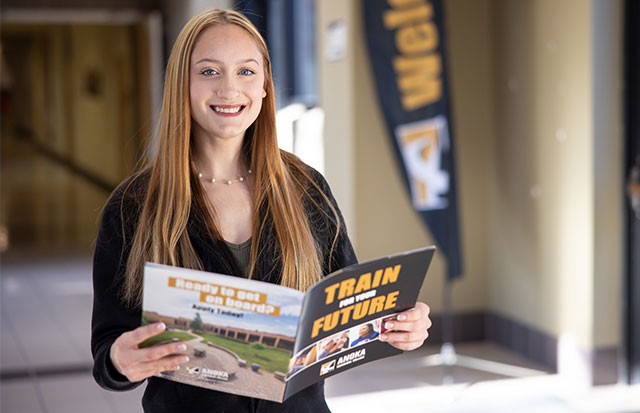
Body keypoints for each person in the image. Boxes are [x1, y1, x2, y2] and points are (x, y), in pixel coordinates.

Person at [91, 8, 432, 413]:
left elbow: (351, 310)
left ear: (266, 84)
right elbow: (107, 350)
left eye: (247, 71)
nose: (230, 89)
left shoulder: (306, 189)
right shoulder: (133, 207)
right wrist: (119, 360)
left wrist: (401, 325)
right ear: (181, 84)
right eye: (209, 72)